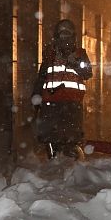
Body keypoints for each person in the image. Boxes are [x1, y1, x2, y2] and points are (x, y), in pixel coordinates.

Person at [32, 19, 93, 160]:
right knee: (49, 135)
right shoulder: (50, 54)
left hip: (72, 102)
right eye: (62, 34)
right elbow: (42, 76)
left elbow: (88, 73)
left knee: (71, 135)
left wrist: (76, 64)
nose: (65, 38)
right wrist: (36, 95)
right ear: (57, 36)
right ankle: (53, 160)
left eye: (68, 34)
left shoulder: (79, 54)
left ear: (73, 36)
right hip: (51, 101)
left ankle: (71, 159)